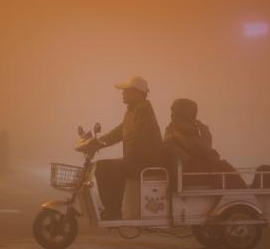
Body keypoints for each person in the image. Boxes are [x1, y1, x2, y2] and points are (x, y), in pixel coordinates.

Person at [93, 76, 164, 220]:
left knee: (103, 167)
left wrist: (99, 144)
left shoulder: (143, 111)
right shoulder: (133, 111)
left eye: (126, 90)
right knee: (106, 167)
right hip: (136, 160)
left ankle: (113, 212)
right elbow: (119, 132)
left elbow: (135, 135)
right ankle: (112, 211)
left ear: (138, 93)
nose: (123, 93)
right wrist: (97, 142)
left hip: (145, 162)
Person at [163, 98, 247, 189]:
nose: (194, 117)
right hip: (188, 175)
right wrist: (205, 131)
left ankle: (242, 194)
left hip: (186, 173)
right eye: (193, 114)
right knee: (223, 167)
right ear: (186, 115)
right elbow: (204, 149)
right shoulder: (178, 132)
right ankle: (245, 194)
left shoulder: (177, 130)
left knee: (220, 166)